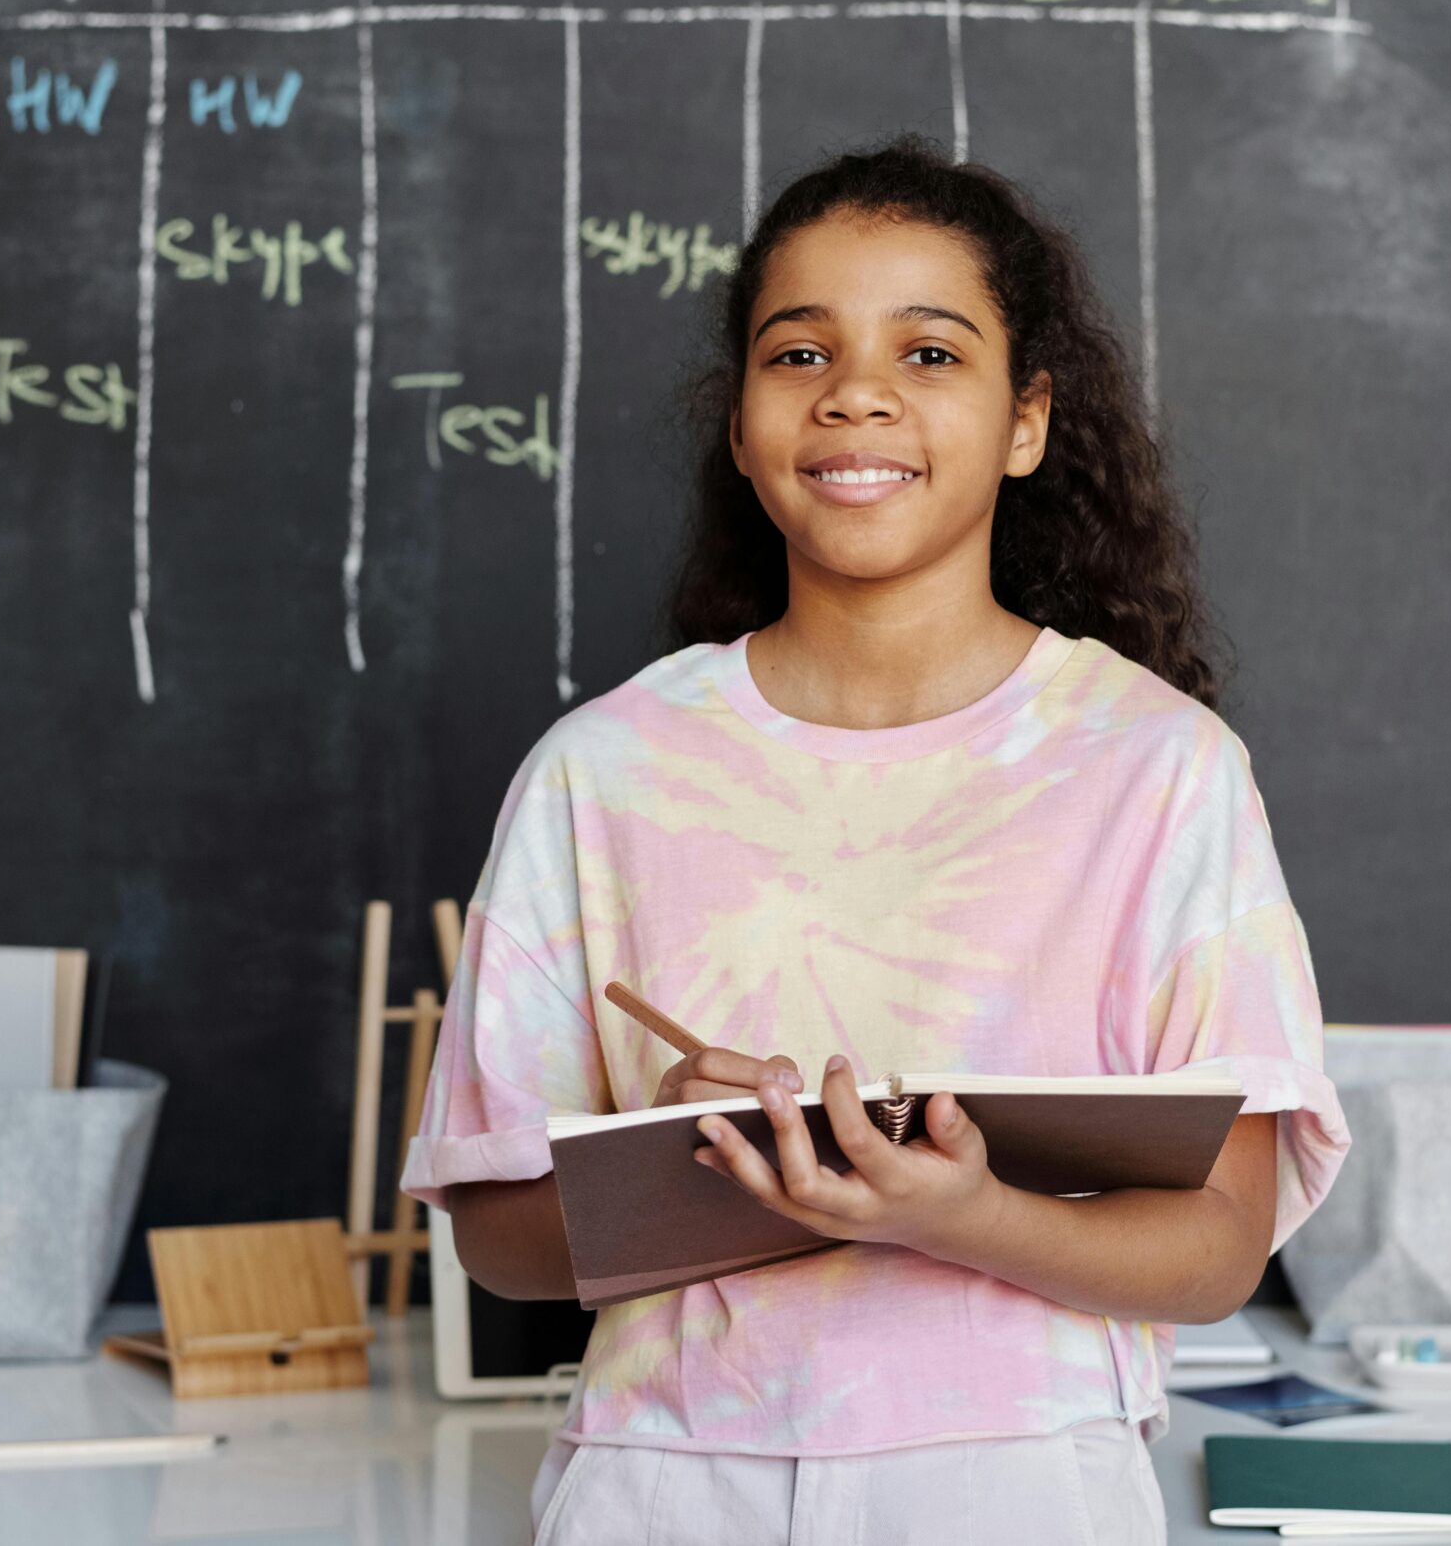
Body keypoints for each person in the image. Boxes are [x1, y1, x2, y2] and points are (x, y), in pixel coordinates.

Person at [404, 135, 1349, 1546]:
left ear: (1026, 419)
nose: (855, 393)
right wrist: (713, 1174)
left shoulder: (1159, 773)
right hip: (669, 1479)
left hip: (1021, 1478)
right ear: (740, 423)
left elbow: (1218, 1245)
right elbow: (499, 1236)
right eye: (799, 355)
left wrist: (955, 1212)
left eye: (929, 354)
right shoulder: (601, 774)